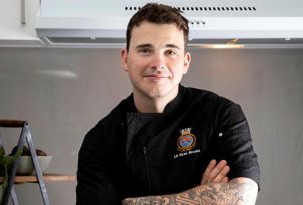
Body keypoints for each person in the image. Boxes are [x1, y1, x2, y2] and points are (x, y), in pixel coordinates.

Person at [76, 3, 260, 205]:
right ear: (125, 59)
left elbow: (242, 197)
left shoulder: (221, 114)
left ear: (185, 62)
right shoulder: (101, 140)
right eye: (145, 50)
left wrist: (130, 202)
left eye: (170, 51)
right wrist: (204, 197)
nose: (158, 63)